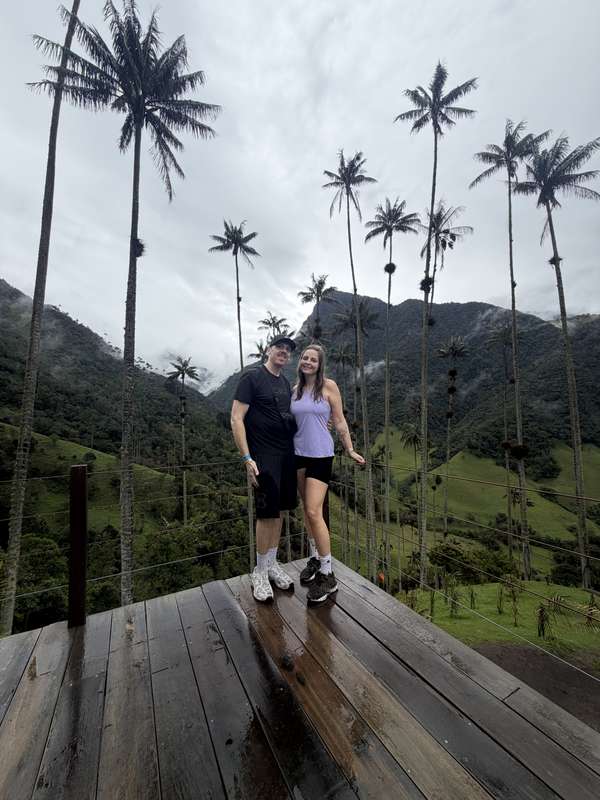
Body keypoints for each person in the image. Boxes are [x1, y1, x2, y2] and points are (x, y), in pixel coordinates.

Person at [291, 344, 365, 603]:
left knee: (314, 511)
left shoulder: (329, 387)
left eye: (313, 359)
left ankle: (328, 575)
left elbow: (340, 420)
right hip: (298, 454)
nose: (308, 362)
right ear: (300, 362)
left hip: (322, 455)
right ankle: (314, 557)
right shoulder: (295, 391)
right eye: (305, 358)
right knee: (307, 510)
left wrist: (350, 449)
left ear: (320, 365)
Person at [230, 336, 298, 602]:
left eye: (288, 350)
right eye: (279, 347)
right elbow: (237, 418)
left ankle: (271, 564)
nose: (283, 351)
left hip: (286, 454)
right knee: (266, 512)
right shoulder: (252, 378)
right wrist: (247, 457)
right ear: (268, 350)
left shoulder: (283, 382)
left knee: (279, 511)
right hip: (263, 456)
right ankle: (259, 571)